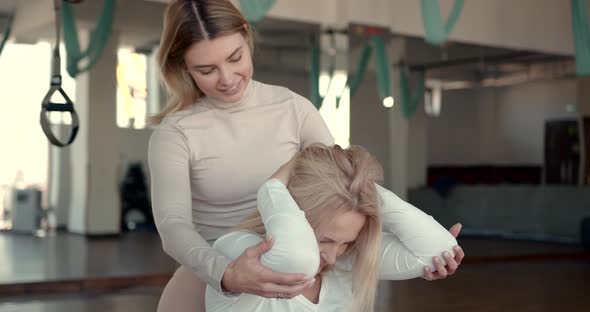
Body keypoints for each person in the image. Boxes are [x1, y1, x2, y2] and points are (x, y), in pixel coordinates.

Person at [148, 0, 464, 311]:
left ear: (247, 36)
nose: (227, 78)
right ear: (182, 66)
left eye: (235, 58)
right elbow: (174, 226)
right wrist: (226, 273)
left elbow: (342, 184)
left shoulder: (292, 108)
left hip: (304, 258)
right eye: (207, 70)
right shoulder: (175, 133)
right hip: (214, 272)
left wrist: (426, 241)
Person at [206, 144, 459, 312]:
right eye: (324, 240)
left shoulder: (345, 263)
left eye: (347, 242)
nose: (333, 256)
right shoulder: (239, 251)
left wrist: (361, 187)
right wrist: (272, 188)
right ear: (293, 212)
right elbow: (297, 258)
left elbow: (438, 250)